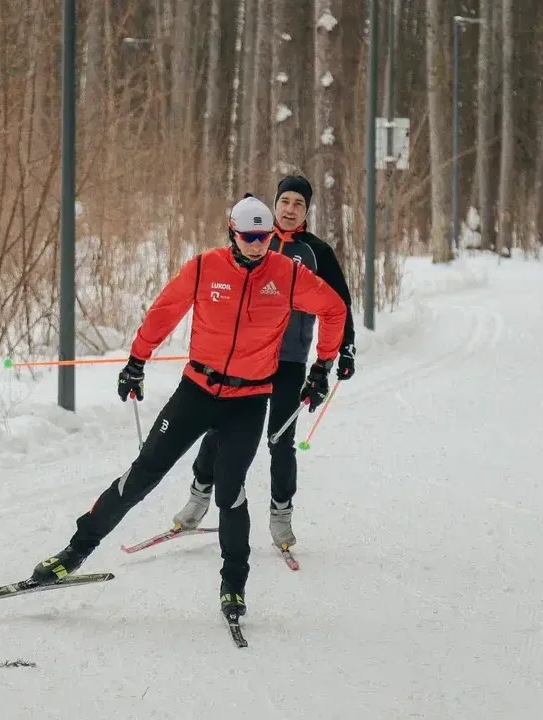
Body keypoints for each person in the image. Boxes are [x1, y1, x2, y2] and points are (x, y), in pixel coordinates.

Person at [30, 195, 347, 617]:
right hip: (197, 390)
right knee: (143, 474)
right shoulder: (204, 267)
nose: (257, 245)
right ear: (232, 232)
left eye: (264, 237)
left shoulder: (287, 274)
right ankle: (74, 551)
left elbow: (334, 308)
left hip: (249, 400)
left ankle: (233, 585)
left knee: (231, 492)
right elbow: (164, 312)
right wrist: (136, 362)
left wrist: (322, 366)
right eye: (248, 236)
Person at [171, 175, 358, 551]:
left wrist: (343, 350)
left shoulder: (316, 251)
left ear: (307, 211)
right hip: (247, 358)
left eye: (299, 204)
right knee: (219, 429)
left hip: (289, 359)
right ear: (274, 204)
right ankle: (198, 498)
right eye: (285, 201)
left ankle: (281, 517)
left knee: (280, 439)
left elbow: (338, 303)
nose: (290, 210)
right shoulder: (254, 239)